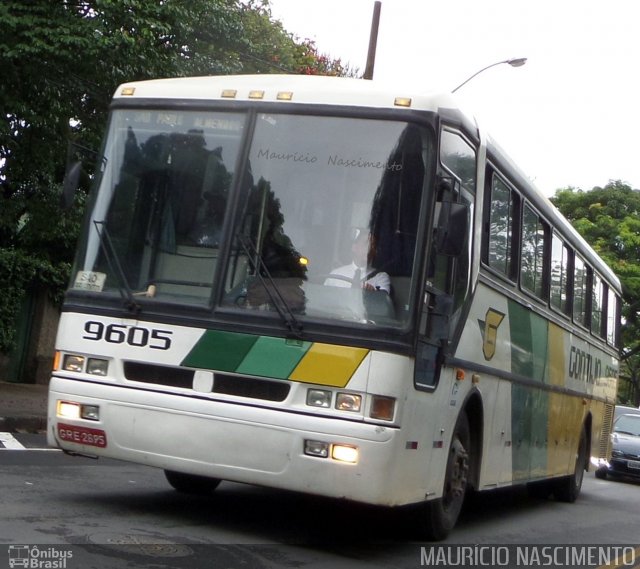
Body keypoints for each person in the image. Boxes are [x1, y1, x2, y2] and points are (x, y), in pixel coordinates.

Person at [324, 230, 391, 293]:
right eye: (366, 244)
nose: (370, 248)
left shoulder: (380, 277)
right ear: (354, 247)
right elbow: (324, 298)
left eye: (373, 246)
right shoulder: (335, 274)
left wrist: (373, 294)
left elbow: (382, 301)